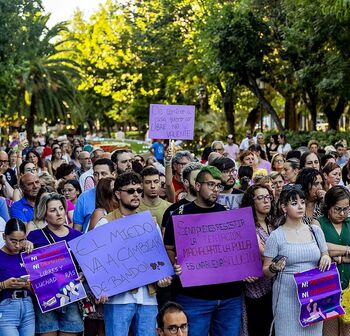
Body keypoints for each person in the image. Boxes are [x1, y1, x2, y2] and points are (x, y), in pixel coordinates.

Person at [164, 166, 243, 336]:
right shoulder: (179, 215)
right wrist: (175, 264)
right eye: (211, 185)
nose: (216, 190)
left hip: (230, 296)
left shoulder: (229, 215)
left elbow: (238, 249)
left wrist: (245, 267)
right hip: (194, 297)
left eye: (218, 186)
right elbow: (169, 247)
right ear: (198, 186)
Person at [96, 172, 172, 336]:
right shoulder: (105, 222)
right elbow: (97, 261)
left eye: (138, 190)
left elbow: (158, 259)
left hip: (148, 298)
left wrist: (163, 278)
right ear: (118, 194)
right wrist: (99, 286)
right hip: (118, 299)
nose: (136, 194)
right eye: (130, 191)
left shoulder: (150, 223)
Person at [263, 185, 331, 336]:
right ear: (283, 207)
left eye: (302, 202)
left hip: (313, 295)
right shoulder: (276, 236)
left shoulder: (315, 230)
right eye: (294, 203)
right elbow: (266, 271)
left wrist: (326, 257)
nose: (300, 206)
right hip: (287, 296)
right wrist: (274, 268)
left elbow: (325, 254)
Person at [27, 193, 84, 336]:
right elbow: (26, 265)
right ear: (44, 214)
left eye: (61, 208)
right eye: (53, 210)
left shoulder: (77, 236)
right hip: (45, 297)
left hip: (71, 295)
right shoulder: (35, 236)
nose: (59, 213)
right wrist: (25, 244)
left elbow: (88, 265)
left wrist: (84, 274)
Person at [240, 185, 275, 336]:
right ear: (251, 202)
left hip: (275, 288)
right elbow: (264, 253)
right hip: (256, 289)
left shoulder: (273, 223)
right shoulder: (247, 226)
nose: (266, 201)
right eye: (260, 198)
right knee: (258, 330)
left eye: (268, 197)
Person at [317, 186, 350, 336]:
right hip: (327, 289)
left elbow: (328, 250)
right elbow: (321, 247)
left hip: (349, 288)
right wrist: (348, 250)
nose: (342, 213)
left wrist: (338, 258)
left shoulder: (349, 223)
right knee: (329, 332)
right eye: (337, 209)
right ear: (328, 206)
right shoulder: (318, 223)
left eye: (346, 209)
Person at [0, 218, 35, 336]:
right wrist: (4, 285)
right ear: (4, 236)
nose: (17, 245)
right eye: (13, 241)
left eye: (22, 240)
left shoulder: (26, 254)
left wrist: (30, 286)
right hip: (6, 308)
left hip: (28, 306)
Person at [73, 158, 115, 232]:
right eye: (96, 174)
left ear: (113, 174)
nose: (99, 178)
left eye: (104, 174)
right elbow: (77, 229)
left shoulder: (120, 194)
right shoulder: (84, 197)